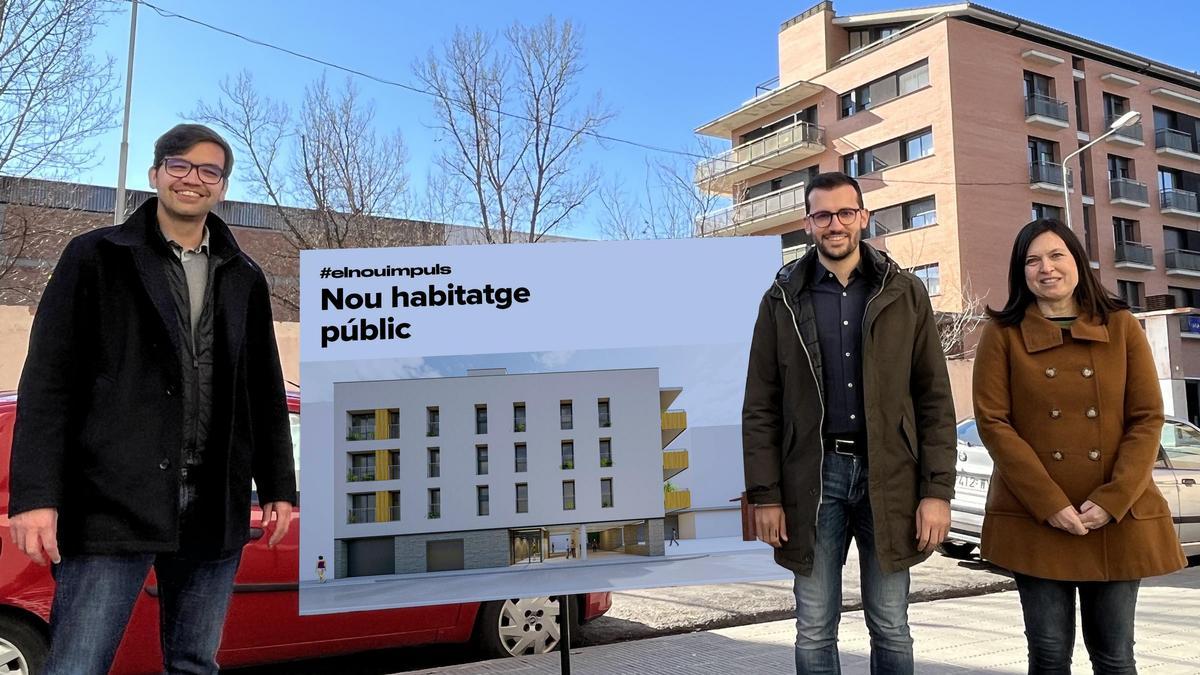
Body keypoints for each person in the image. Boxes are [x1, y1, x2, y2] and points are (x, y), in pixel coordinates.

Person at [7, 124, 297, 674]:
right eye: (180, 165)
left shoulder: (245, 276)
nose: (193, 179)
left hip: (215, 499)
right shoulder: (95, 258)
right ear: (156, 174)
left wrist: (279, 486)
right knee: (77, 664)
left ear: (222, 186)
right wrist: (34, 494)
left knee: (194, 663)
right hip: (111, 498)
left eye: (208, 171)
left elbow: (263, 388)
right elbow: (48, 381)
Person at [742, 171, 956, 674]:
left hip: (893, 477)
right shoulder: (781, 299)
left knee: (890, 622)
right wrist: (767, 495)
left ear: (862, 217)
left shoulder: (904, 293)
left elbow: (934, 400)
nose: (834, 224)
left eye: (844, 213)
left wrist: (937, 492)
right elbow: (760, 405)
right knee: (814, 624)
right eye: (822, 215)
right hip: (813, 480)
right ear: (808, 222)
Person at [973, 218, 1185, 674]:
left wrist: (1111, 501)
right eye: (1032, 261)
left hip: (1114, 518)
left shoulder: (1121, 326)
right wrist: (1048, 503)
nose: (1046, 268)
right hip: (1037, 519)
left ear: (1077, 263)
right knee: (1048, 656)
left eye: (1056, 256)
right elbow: (994, 423)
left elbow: (1146, 418)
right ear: (1020, 272)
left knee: (1114, 656)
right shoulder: (1001, 334)